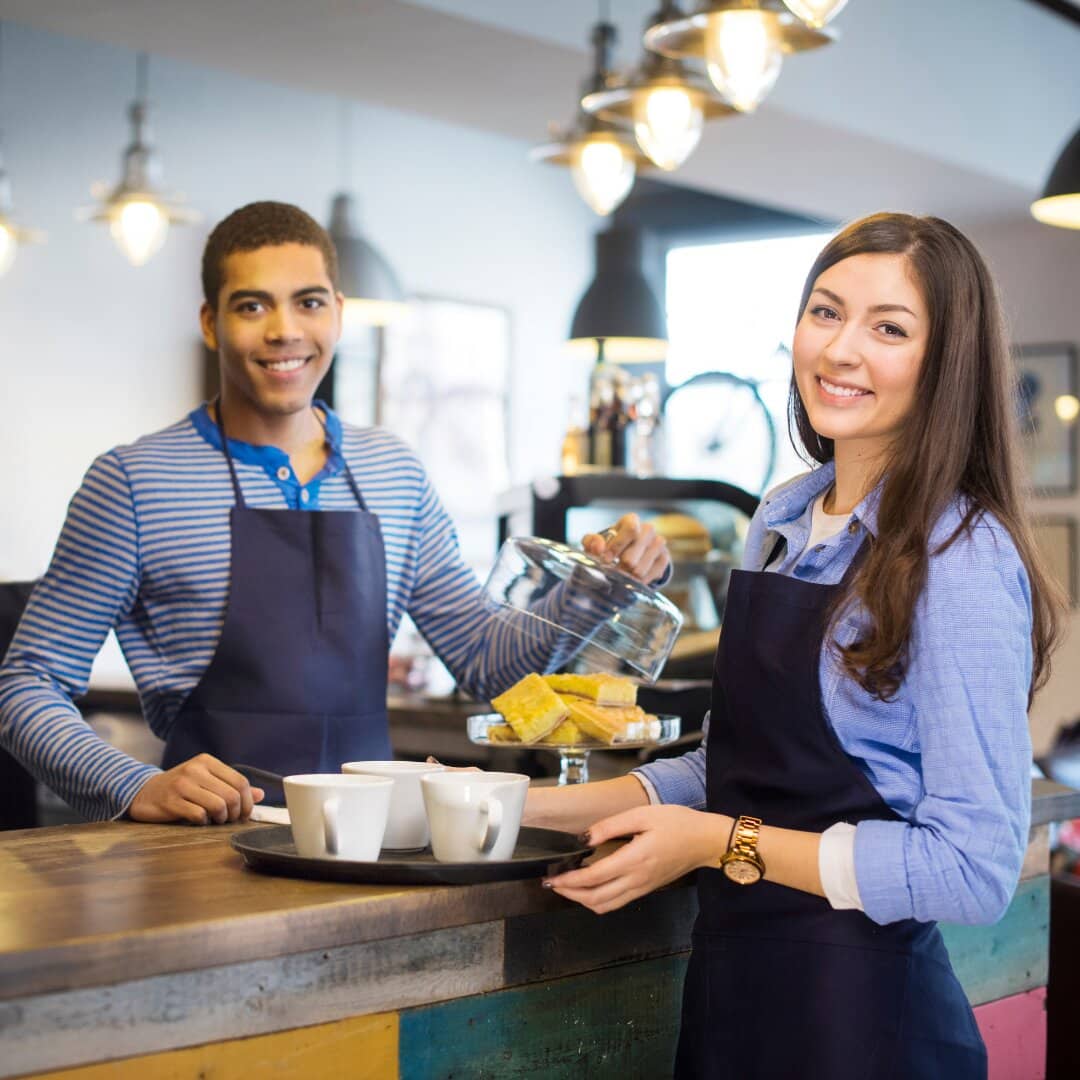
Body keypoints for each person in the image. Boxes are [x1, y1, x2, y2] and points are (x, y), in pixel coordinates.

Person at [527, 212, 1065, 1078]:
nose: (840, 350)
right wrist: (515, 808)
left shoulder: (959, 555)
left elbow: (972, 869)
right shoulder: (781, 519)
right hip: (735, 1003)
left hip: (866, 1027)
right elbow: (737, 767)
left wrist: (715, 843)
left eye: (889, 328)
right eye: (826, 312)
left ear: (945, 362)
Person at [0, 201, 670, 827]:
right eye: (252, 305)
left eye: (309, 302)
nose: (285, 330)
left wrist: (598, 584)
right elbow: (26, 685)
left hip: (371, 842)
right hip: (200, 848)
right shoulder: (134, 482)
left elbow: (488, 666)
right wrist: (133, 784)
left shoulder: (394, 474)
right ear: (210, 323)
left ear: (339, 315)